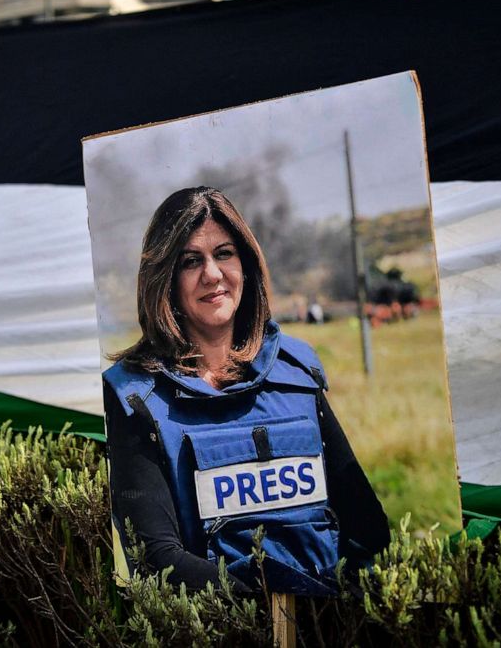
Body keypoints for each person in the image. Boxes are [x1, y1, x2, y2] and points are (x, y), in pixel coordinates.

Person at [103, 187, 389, 596]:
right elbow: (155, 558)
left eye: (224, 253)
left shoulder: (297, 370)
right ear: (164, 278)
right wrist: (269, 612)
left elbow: (366, 528)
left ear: (246, 264)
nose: (212, 274)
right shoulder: (133, 395)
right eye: (190, 261)